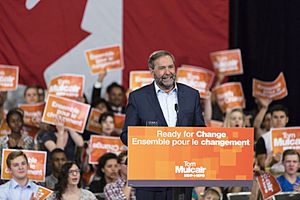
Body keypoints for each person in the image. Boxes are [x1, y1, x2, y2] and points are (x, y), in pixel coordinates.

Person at [121, 50, 205, 200]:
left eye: (171, 67)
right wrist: (152, 142)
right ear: (152, 71)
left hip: (181, 176)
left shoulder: (192, 95)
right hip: (150, 176)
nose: (168, 72)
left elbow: (200, 131)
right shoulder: (138, 97)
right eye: (162, 68)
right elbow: (126, 134)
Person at [255, 104, 289, 170]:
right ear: (271, 119)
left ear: (287, 119)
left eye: (282, 117)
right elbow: (262, 165)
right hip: (272, 175)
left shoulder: (297, 136)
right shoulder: (263, 139)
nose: (279, 120)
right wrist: (272, 161)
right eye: (275, 117)